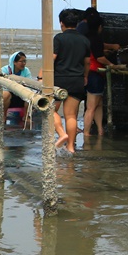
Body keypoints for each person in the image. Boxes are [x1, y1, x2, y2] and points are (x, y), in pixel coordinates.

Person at [53, 8, 91, 153]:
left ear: (61, 23)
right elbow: (87, 62)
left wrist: (42, 75)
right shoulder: (84, 40)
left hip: (59, 80)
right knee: (71, 115)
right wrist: (85, 76)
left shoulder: (59, 38)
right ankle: (70, 147)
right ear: (77, 23)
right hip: (77, 80)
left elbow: (53, 58)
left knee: (50, 111)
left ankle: (62, 134)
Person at [81, 13, 121, 137]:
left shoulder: (86, 37)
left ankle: (100, 130)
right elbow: (100, 58)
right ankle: (86, 133)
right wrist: (112, 65)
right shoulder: (96, 38)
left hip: (91, 73)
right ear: (99, 27)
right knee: (91, 106)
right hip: (95, 73)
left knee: (98, 104)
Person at [0, 51, 32, 127]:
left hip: (21, 96)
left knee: (30, 94)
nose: (23, 63)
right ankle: (3, 116)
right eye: (21, 61)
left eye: (25, 61)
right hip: (9, 95)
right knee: (5, 94)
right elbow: (2, 86)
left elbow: (30, 85)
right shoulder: (4, 70)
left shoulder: (26, 71)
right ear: (14, 62)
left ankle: (26, 116)